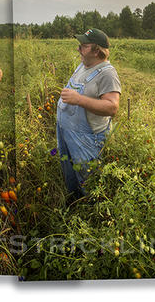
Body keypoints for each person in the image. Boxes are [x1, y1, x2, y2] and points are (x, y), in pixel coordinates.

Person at [56, 28, 121, 202]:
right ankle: (75, 204)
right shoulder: (83, 65)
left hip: (87, 139)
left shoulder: (107, 74)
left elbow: (112, 107)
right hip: (67, 132)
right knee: (71, 175)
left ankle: (92, 216)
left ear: (97, 51)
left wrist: (79, 99)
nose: (79, 49)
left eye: (84, 46)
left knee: (89, 182)